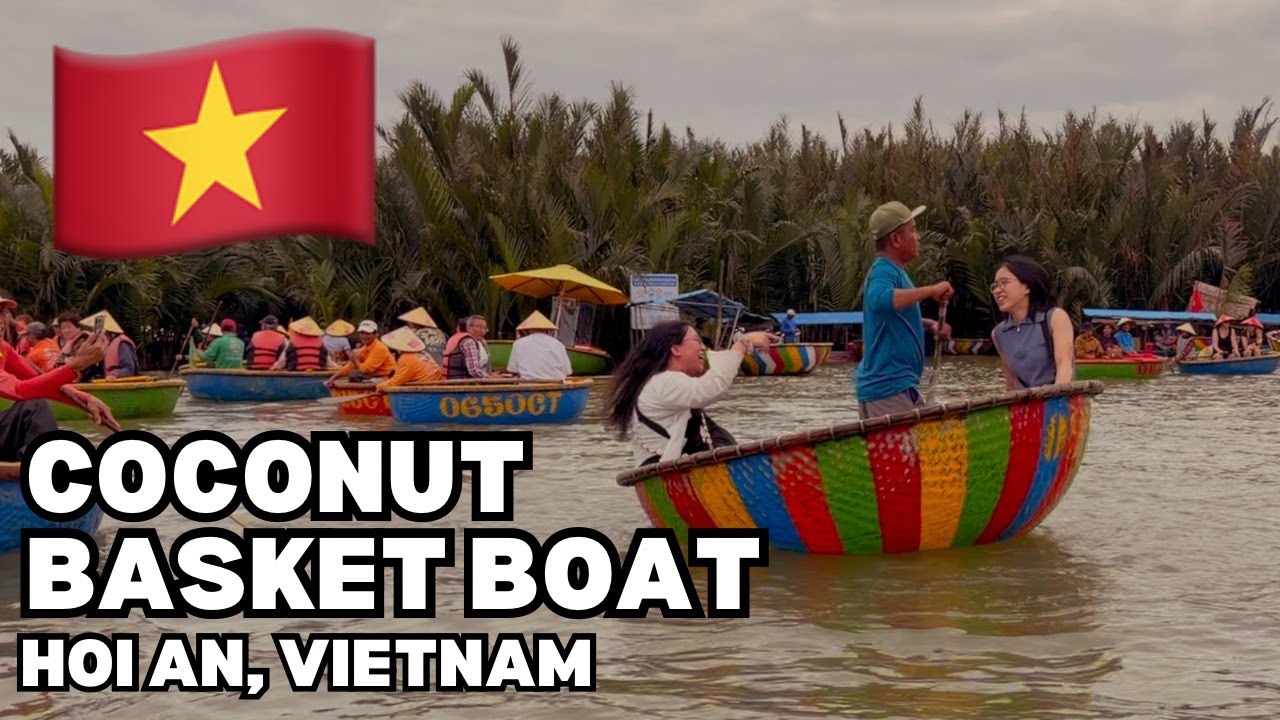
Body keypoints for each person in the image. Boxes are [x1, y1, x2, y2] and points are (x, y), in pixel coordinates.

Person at [606, 321, 775, 466]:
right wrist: (741, 345)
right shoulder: (665, 381)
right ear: (676, 349)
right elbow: (711, 388)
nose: (702, 347)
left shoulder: (658, 382)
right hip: (667, 475)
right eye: (696, 340)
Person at [855, 201, 953, 419]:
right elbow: (880, 299)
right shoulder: (883, 270)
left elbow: (893, 318)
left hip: (899, 386)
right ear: (895, 240)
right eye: (913, 230)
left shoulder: (897, 272)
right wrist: (931, 290)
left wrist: (929, 326)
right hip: (887, 389)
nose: (918, 237)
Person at [0, 321, 121, 459]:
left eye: (3, 312)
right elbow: (20, 390)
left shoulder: (3, 349)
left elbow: (40, 381)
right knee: (36, 406)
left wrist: (86, 399)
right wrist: (75, 366)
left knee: (33, 407)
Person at [988, 256, 1075, 389]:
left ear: (1027, 286)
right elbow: (1012, 381)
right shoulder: (998, 333)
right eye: (995, 285)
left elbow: (1065, 365)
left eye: (1004, 283)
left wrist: (1056, 402)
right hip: (1026, 405)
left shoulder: (1055, 318)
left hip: (1058, 400)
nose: (998, 290)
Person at [324, 320, 395, 387]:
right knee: (354, 374)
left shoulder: (379, 348)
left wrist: (356, 360)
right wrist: (333, 378)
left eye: (367, 334)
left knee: (354, 375)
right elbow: (350, 366)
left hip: (386, 376)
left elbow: (366, 370)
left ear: (376, 334)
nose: (364, 336)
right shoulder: (365, 348)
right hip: (374, 375)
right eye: (362, 333)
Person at [507, 311, 572, 382]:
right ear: (547, 329)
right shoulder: (558, 344)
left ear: (528, 330)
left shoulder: (518, 343)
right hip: (556, 383)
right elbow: (567, 371)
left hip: (529, 384)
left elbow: (512, 369)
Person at [375, 327, 443, 393]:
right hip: (432, 386)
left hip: (424, 392)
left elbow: (397, 381)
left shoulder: (406, 358)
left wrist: (379, 387)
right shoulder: (423, 352)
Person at [81, 310, 137, 380]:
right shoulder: (100, 347)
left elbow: (129, 369)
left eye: (102, 332)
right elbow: (93, 370)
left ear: (110, 333)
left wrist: (114, 374)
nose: (98, 335)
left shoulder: (122, 344)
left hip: (122, 383)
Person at [444, 315, 493, 379]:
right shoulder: (469, 341)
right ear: (469, 328)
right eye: (479, 327)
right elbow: (474, 371)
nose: (482, 331)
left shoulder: (455, 337)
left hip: (448, 379)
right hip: (459, 383)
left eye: (485, 328)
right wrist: (492, 379)